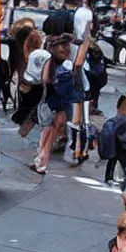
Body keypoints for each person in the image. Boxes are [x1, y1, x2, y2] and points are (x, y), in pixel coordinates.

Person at [31, 31, 90, 174]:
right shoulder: (67, 66)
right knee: (60, 130)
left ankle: (41, 160)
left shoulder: (51, 62)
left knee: (49, 131)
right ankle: (44, 160)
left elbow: (43, 80)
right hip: (65, 101)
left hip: (52, 101)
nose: (66, 50)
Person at [11, 30, 50, 138]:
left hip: (26, 86)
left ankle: (22, 130)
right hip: (38, 87)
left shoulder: (25, 55)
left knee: (26, 111)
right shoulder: (42, 54)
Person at [102, 92, 126, 189]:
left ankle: (111, 178)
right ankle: (114, 179)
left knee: (114, 160)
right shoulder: (124, 122)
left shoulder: (118, 121)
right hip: (123, 152)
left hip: (122, 151)